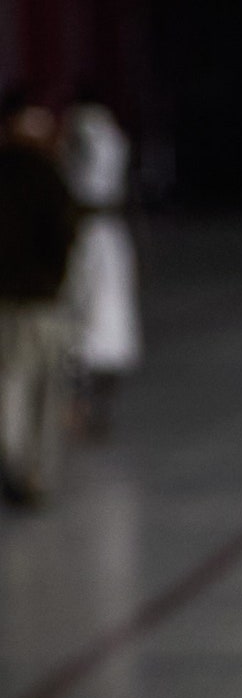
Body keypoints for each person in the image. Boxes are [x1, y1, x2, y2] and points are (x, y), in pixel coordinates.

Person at [0, 91, 77, 506]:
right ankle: (30, 471)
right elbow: (64, 235)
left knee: (10, 384)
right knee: (40, 391)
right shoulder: (46, 175)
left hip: (10, 300)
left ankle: (15, 462)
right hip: (40, 301)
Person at [62, 101, 141, 434]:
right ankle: (86, 406)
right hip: (101, 236)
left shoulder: (87, 132)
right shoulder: (112, 138)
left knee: (97, 322)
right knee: (97, 324)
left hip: (93, 238)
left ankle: (89, 407)